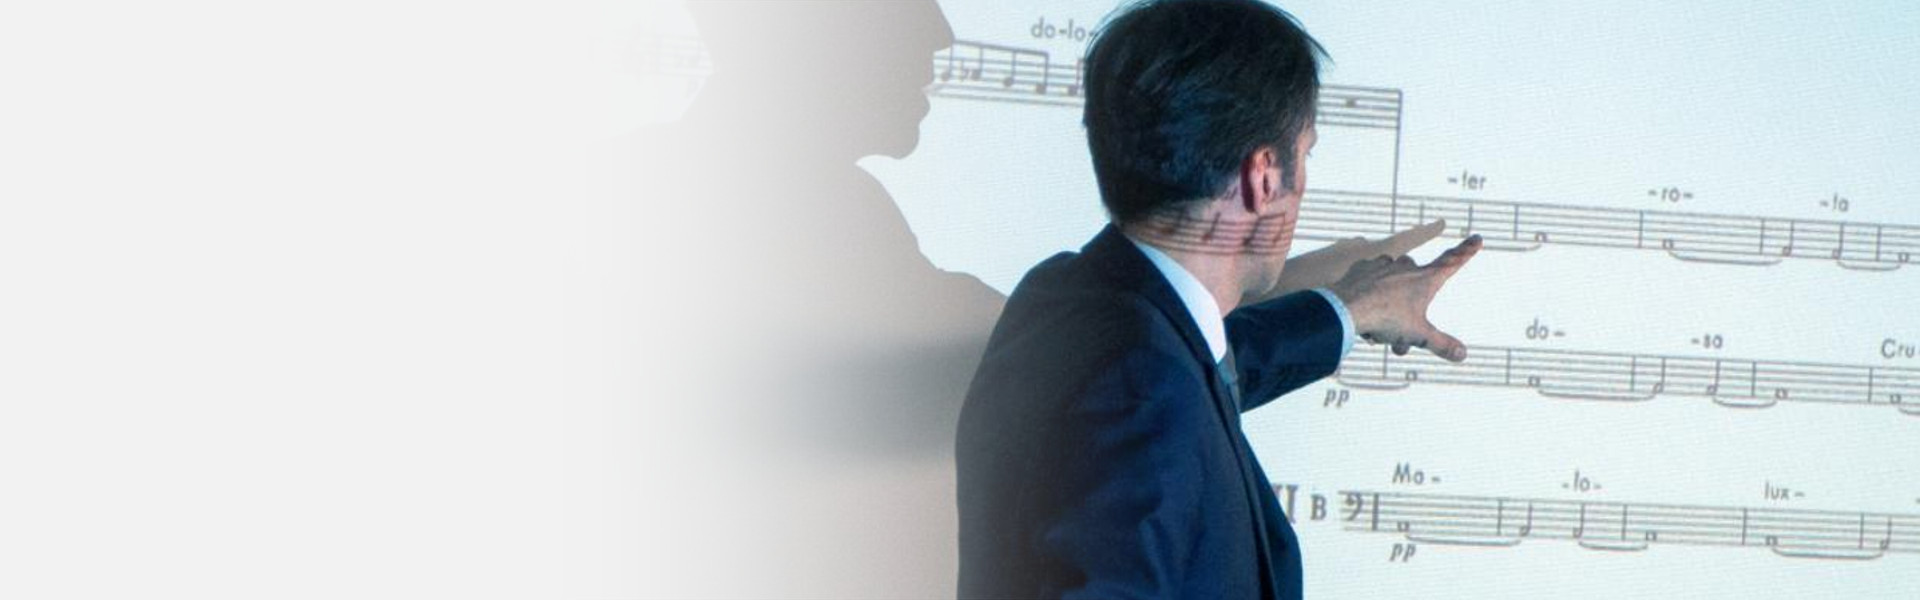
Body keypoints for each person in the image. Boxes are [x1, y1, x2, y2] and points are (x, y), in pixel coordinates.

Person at [954, 1, 1484, 598]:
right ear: (1264, 176)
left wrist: (1348, 309)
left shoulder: (1064, 298)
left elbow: (1195, 372)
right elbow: (1160, 393)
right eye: (1305, 153)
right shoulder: (1140, 383)